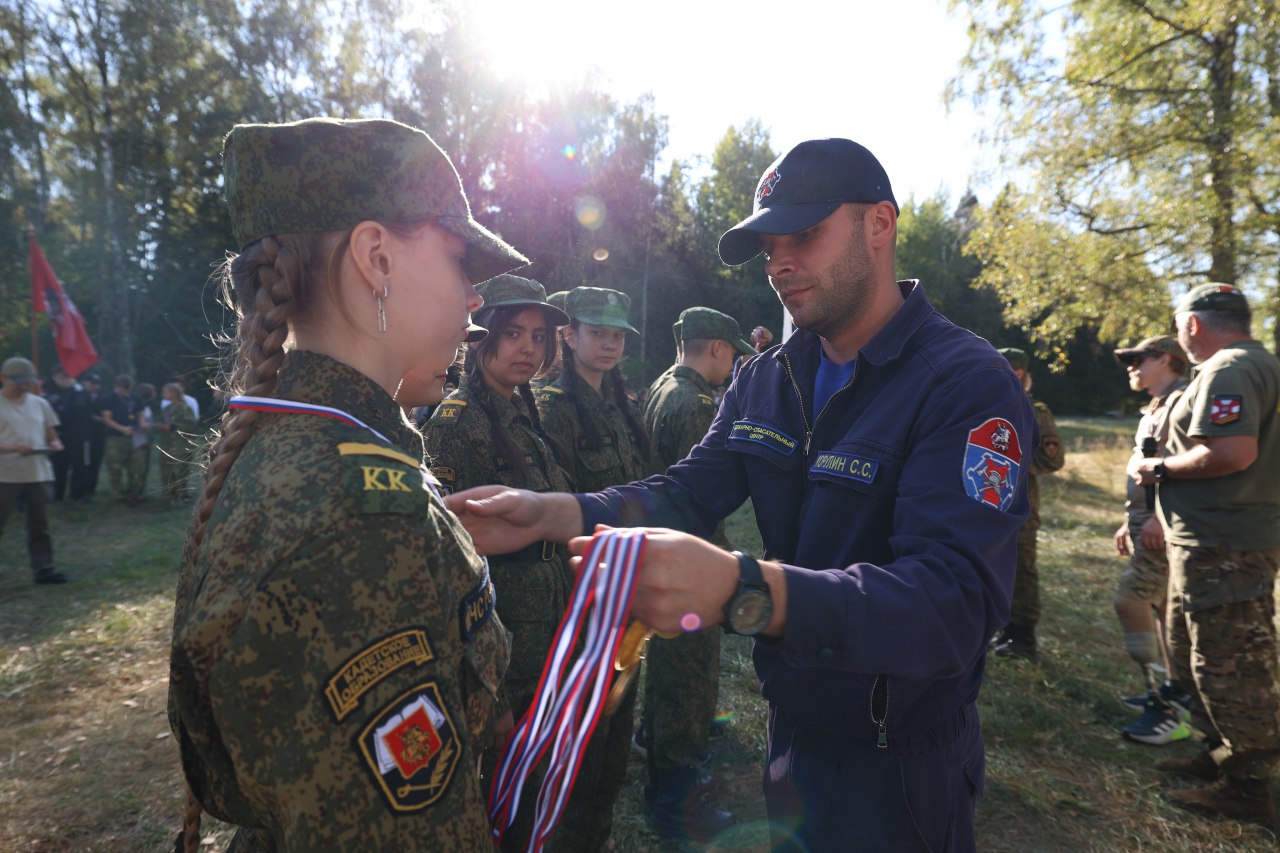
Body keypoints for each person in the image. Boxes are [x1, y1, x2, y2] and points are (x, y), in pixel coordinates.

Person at [447, 137, 1036, 851]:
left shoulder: (963, 381)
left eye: (805, 234)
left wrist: (743, 590)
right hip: (792, 728)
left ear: (880, 225)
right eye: (767, 246)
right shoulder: (766, 379)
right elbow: (689, 492)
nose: (780, 263)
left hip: (901, 755)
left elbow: (952, 605)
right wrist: (555, 512)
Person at [167, 116, 527, 852]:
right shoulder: (355, 520)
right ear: (376, 258)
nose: (474, 303)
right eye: (462, 263)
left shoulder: (312, 448)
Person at [423, 273, 573, 851]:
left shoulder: (522, 413)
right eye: (512, 334)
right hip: (499, 641)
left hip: (542, 630)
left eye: (538, 336)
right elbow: (447, 565)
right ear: (481, 340)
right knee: (497, 800)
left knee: (529, 791)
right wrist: (496, 695)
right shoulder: (459, 422)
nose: (528, 349)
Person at [1130, 283, 1280, 821]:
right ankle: (1223, 756)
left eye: (1177, 325)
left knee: (1230, 663)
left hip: (1224, 543)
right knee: (1208, 653)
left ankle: (1246, 786)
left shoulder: (1228, 369)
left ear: (1192, 325)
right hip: (1225, 539)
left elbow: (1233, 452)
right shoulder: (1256, 363)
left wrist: (1160, 469)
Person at [532, 285, 652, 850]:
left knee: (610, 744)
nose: (609, 343)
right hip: (578, 602)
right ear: (570, 336)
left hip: (624, 595)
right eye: (597, 332)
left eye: (617, 334)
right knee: (575, 747)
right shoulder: (552, 407)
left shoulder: (621, 403)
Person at [635, 306, 753, 841]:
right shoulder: (695, 402)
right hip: (689, 553)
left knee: (667, 664)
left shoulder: (663, 385)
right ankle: (675, 793)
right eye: (732, 355)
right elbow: (699, 495)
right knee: (689, 671)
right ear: (717, 349)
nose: (732, 366)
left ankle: (657, 744)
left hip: (663, 545)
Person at [1110, 335, 1193, 745]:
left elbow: (1184, 466)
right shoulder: (1156, 408)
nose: (1131, 367)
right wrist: (1132, 520)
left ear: (1167, 359)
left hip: (1166, 526)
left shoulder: (1183, 402)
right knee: (1164, 614)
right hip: (1148, 524)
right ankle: (1171, 694)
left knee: (1131, 600)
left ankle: (1166, 705)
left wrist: (1159, 518)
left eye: (1139, 359)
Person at [991, 347, 1065, 659]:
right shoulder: (991, 403)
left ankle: (1023, 637)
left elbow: (1053, 459)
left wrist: (1015, 471)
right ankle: (1003, 628)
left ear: (1018, 373)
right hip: (992, 502)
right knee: (996, 565)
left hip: (1022, 505)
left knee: (1021, 567)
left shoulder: (1036, 409)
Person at [0, 356, 67, 584]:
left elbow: (51, 435)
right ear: (3, 378)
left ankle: (44, 569)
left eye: (27, 381)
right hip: (4, 475)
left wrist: (55, 444)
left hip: (37, 473)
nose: (24, 386)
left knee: (39, 524)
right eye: (18, 381)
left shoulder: (40, 403)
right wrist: (12, 448)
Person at [49, 367, 94, 503]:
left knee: (78, 466)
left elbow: (77, 413)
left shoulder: (79, 392)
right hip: (63, 435)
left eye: (56, 380)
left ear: (62, 377)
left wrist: (58, 417)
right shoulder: (67, 393)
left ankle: (77, 495)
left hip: (77, 436)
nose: (56, 383)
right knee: (59, 466)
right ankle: (58, 495)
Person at [154, 382, 197, 505]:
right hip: (167, 445)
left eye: (166, 392)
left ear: (174, 393)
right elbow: (163, 422)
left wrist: (173, 426)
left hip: (180, 446)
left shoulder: (185, 408)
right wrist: (160, 426)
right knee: (167, 470)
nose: (164, 395)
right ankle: (170, 495)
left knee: (180, 471)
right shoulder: (166, 409)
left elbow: (191, 426)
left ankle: (181, 496)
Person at [100, 374, 139, 503]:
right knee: (115, 467)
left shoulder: (134, 398)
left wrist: (140, 426)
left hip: (133, 436)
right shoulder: (109, 398)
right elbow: (107, 419)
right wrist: (123, 429)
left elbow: (141, 413)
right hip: (114, 437)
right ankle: (117, 494)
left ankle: (134, 492)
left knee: (134, 466)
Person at [131, 382, 157, 503]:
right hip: (139, 438)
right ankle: (135, 493)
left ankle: (139, 491)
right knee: (139, 467)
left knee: (143, 467)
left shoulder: (146, 406)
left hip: (145, 438)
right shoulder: (138, 406)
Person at [81, 373, 105, 499]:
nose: (95, 386)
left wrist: (99, 419)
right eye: (92, 383)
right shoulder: (80, 397)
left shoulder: (101, 399)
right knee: (84, 462)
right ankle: (83, 487)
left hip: (97, 434)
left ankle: (91, 488)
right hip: (83, 435)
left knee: (95, 461)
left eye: (97, 384)